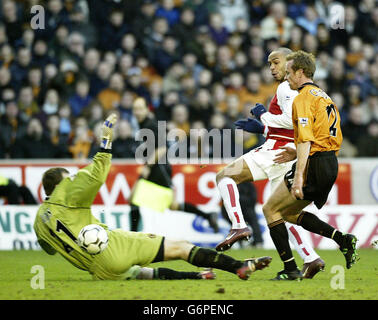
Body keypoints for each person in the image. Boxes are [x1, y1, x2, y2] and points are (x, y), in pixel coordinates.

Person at [33, 114, 272, 281]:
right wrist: (105, 142)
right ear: (60, 185)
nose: (72, 180)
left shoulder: (39, 220)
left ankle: (198, 276)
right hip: (111, 246)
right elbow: (95, 177)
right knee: (179, 247)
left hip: (99, 270)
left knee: (140, 272)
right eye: (68, 179)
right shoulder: (66, 193)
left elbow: (49, 249)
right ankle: (240, 266)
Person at [215, 48, 325, 279]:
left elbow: (291, 120)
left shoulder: (288, 87)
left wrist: (263, 115)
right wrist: (263, 128)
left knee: (225, 176)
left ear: (290, 63)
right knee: (281, 212)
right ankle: (310, 257)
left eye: (276, 62)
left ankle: (238, 225)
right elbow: (292, 126)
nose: (272, 68)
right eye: (270, 64)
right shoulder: (305, 91)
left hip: (276, 151)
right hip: (286, 152)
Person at [262, 50, 358, 280]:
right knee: (288, 213)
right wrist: (295, 152)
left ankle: (290, 269)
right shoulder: (324, 96)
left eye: (289, 73)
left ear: (300, 72)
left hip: (314, 164)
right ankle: (342, 239)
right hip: (329, 162)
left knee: (270, 210)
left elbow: (305, 138)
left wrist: (298, 176)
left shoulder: (303, 98)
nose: (286, 78)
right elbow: (321, 136)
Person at [130, 97, 219, 233]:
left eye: (140, 108)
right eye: (135, 109)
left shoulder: (150, 125)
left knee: (137, 200)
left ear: (147, 109)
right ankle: (207, 215)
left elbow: (162, 148)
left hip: (158, 169)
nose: (137, 112)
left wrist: (147, 167)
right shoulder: (145, 124)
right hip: (155, 167)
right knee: (137, 200)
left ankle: (132, 235)